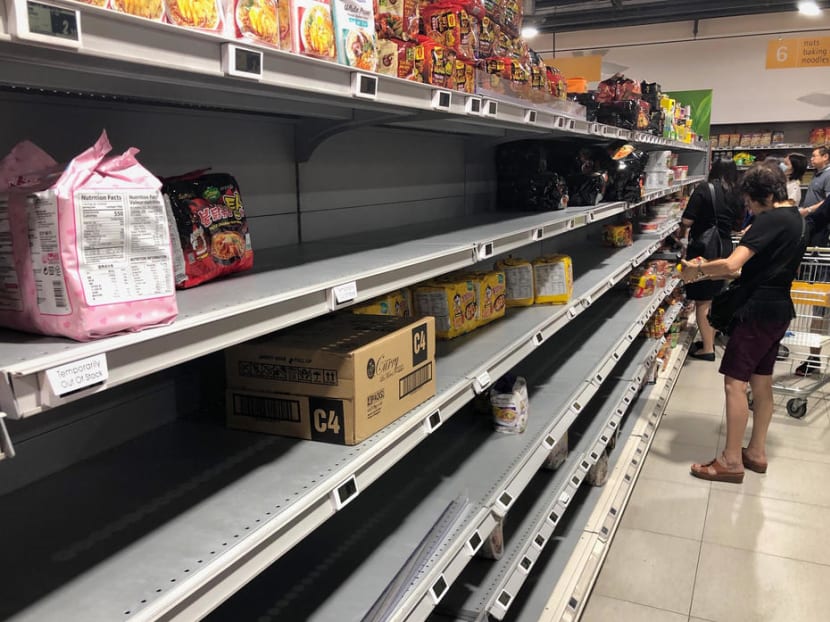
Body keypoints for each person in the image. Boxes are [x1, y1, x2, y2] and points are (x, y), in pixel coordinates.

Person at [679, 163, 807, 483]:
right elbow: (748, 269)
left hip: (756, 312)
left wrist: (697, 270)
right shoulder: (797, 219)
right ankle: (756, 452)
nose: (747, 207)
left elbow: (734, 265)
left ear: (764, 195)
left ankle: (731, 461)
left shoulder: (770, 220)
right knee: (761, 382)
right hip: (779, 309)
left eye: (750, 201)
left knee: (734, 383)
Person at [676, 159, 742, 361]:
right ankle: (710, 340)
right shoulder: (737, 192)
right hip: (724, 248)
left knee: (703, 301)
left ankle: (707, 349)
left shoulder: (704, 189)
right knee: (715, 296)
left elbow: (687, 220)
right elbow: (738, 226)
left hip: (703, 250)